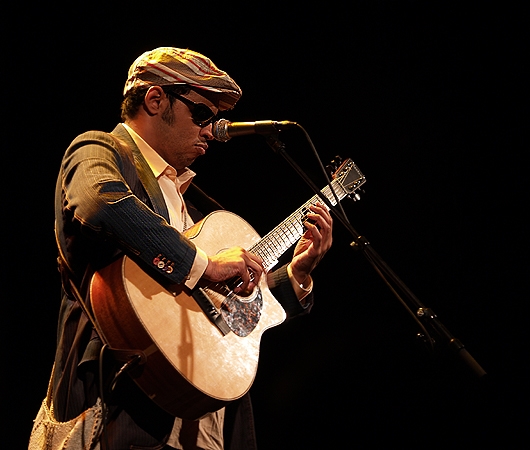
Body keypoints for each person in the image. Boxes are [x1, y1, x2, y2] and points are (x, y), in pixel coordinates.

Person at [35, 47, 333, 449]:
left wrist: (296, 274)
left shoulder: (196, 207)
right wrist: (202, 264)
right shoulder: (101, 152)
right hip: (120, 402)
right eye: (202, 114)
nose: (212, 130)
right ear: (156, 100)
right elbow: (99, 203)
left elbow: (222, 312)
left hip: (200, 423)